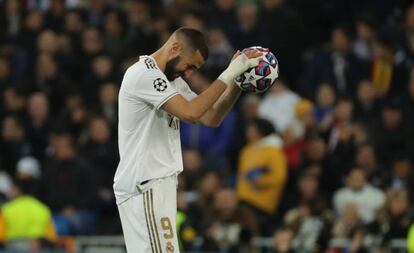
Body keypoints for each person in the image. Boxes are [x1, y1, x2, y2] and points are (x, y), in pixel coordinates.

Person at [113, 27, 262, 253]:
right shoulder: (144, 74)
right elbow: (191, 113)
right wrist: (229, 72)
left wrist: (236, 84)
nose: (189, 74)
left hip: (156, 183)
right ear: (174, 48)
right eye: (190, 66)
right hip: (146, 183)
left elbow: (210, 116)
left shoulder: (173, 80)